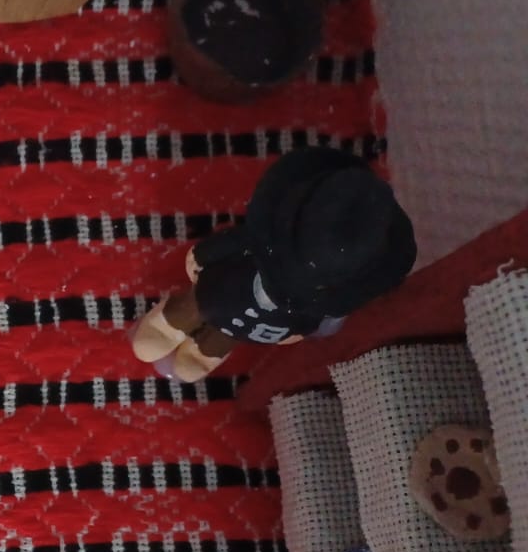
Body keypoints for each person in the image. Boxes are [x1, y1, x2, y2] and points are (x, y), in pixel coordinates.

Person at [131, 146, 416, 382]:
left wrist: (202, 256)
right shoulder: (320, 301)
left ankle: (176, 332)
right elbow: (312, 324)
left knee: (200, 311)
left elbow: (233, 242)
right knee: (217, 327)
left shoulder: (265, 243)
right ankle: (197, 348)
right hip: (262, 320)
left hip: (227, 292)